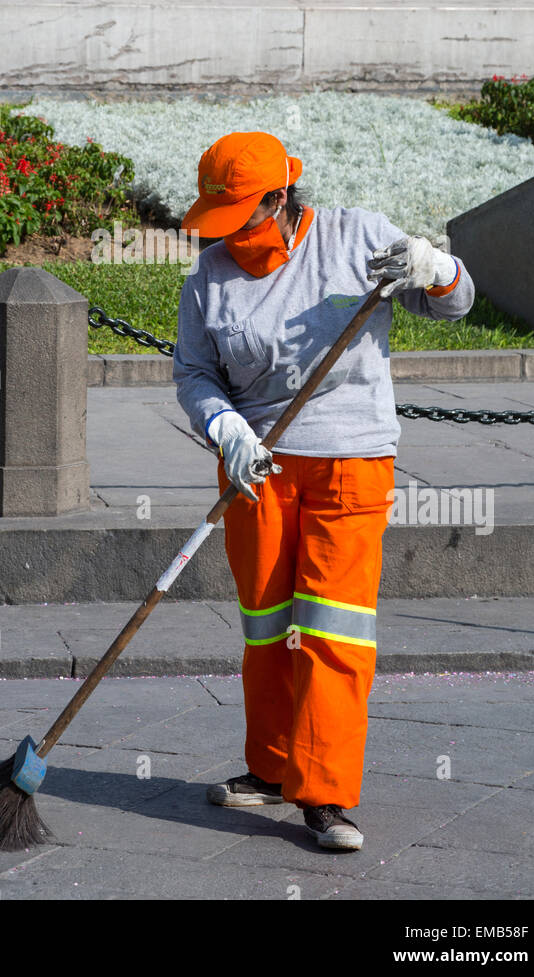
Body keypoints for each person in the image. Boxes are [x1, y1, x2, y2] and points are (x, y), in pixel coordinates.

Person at [173, 131, 475, 851]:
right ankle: (272, 770)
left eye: (243, 218)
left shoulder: (357, 237)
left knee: (334, 633)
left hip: (350, 461)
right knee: (266, 626)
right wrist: (223, 427)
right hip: (257, 468)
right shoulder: (208, 277)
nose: (231, 238)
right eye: (221, 222)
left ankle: (324, 793)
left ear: (280, 199)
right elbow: (194, 373)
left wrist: (435, 268)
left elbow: (455, 303)